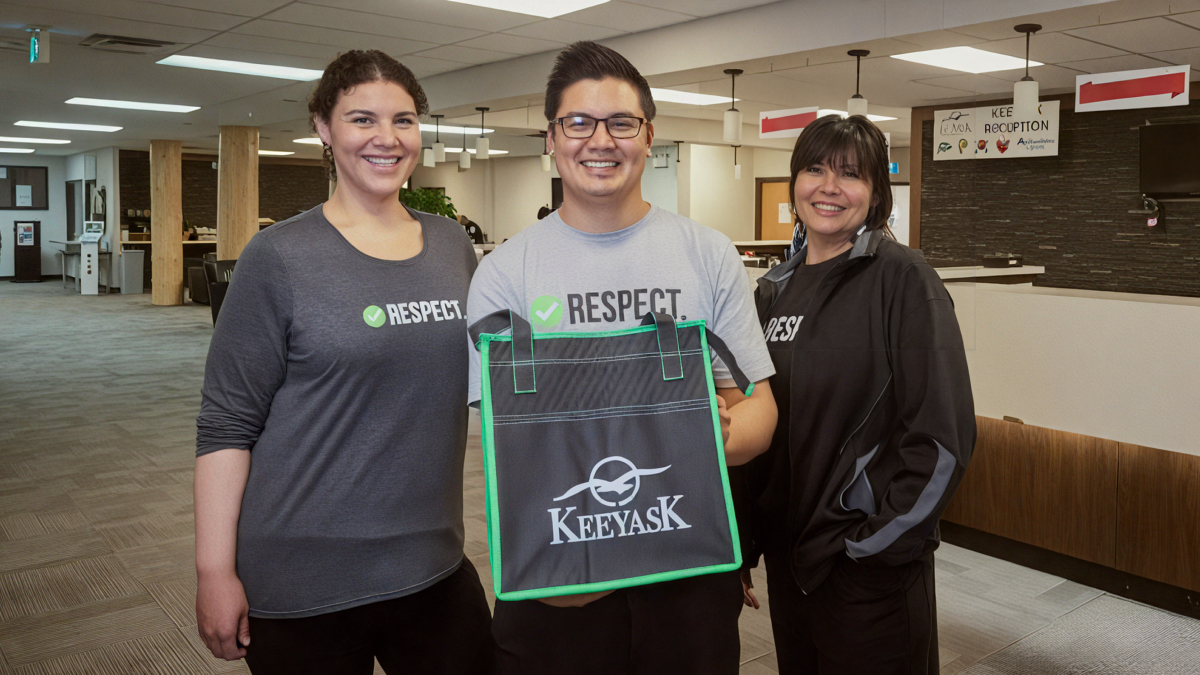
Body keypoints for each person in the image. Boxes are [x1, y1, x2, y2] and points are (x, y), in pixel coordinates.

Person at [466, 41, 778, 675]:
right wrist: (668, 431)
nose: (599, 140)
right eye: (578, 122)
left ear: (648, 136)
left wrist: (707, 435)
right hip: (562, 582)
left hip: (685, 574)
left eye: (621, 123)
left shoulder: (709, 255)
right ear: (551, 139)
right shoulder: (505, 274)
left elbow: (758, 415)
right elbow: (509, 446)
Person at [194, 50, 492, 675]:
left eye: (404, 120)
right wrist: (215, 571)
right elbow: (226, 424)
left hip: (432, 562)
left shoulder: (450, 246)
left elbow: (491, 380)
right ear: (324, 129)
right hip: (305, 578)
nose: (387, 139)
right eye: (363, 119)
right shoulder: (277, 257)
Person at [741, 114, 976, 674]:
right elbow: (758, 427)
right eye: (815, 169)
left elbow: (943, 436)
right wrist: (742, 544)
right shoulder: (774, 291)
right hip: (791, 565)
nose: (828, 186)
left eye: (850, 174)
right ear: (795, 180)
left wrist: (875, 550)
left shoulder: (904, 280)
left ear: (875, 196)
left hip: (867, 571)